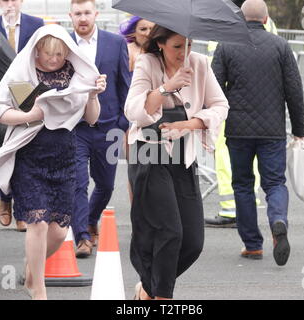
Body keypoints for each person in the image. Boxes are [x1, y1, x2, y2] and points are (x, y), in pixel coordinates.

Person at [0, 24, 105, 299]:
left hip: (65, 156)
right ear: (36, 52)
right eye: (48, 54)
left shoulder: (76, 75)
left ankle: (31, 269)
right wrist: (30, 115)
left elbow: (91, 118)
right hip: (30, 156)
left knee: (58, 232)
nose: (54, 60)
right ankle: (38, 287)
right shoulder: (23, 72)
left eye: (59, 54)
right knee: (38, 224)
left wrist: (92, 95)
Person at [126, 24, 229, 300]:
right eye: (177, 46)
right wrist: (165, 88)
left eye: (189, 45)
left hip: (183, 156)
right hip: (150, 153)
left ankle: (148, 290)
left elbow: (221, 105)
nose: (184, 53)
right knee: (169, 232)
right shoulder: (147, 63)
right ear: (160, 43)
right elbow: (133, 110)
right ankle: (163, 297)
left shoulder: (200, 64)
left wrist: (191, 123)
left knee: (193, 241)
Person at [212, 0, 304, 266]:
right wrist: (299, 130)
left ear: (240, 19)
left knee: (242, 184)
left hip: (238, 131)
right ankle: (278, 220)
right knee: (275, 183)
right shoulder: (281, 46)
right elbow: (294, 92)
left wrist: (211, 123)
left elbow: (214, 88)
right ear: (266, 20)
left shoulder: (226, 45)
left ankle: (252, 245)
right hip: (272, 130)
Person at [205, 0, 276, 228]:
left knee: (226, 155)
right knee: (254, 159)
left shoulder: (221, 20)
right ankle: (246, 208)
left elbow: (217, 70)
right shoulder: (264, 19)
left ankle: (232, 209)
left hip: (230, 101)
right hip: (262, 102)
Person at [69, 0, 131, 258]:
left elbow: (125, 85)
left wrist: (122, 123)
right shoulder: (64, 44)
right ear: (70, 16)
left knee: (105, 185)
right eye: (77, 13)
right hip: (75, 127)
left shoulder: (115, 43)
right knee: (77, 183)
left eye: (87, 13)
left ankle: (90, 219)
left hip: (108, 127)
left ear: (96, 13)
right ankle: (82, 235)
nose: (82, 18)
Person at [0, 0, 44, 232]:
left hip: (29, 93)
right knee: (6, 150)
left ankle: (22, 208)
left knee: (26, 153)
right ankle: (5, 196)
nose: (10, 4)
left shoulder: (36, 24)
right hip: (2, 94)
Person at [119, 15, 154, 202]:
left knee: (156, 167)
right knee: (136, 168)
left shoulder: (158, 51)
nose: (148, 33)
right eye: (143, 29)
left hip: (155, 115)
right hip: (132, 119)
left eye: (151, 29)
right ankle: (137, 213)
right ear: (133, 32)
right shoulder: (129, 51)